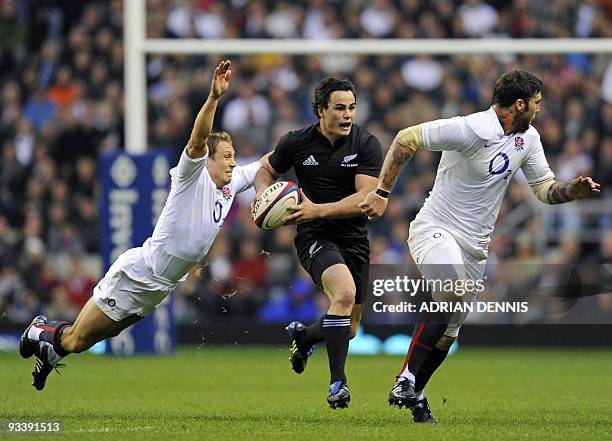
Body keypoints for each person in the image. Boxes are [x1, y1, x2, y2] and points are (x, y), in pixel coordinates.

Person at [359, 70, 600, 423]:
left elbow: (544, 189)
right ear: (519, 104)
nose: (539, 110)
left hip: (475, 247)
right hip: (435, 228)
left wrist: (570, 192)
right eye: (536, 104)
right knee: (452, 291)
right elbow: (406, 137)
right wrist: (381, 193)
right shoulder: (471, 128)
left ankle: (417, 392)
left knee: (449, 333)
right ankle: (405, 378)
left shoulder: (528, 139)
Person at [20, 60, 276, 390]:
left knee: (92, 337)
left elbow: (267, 163)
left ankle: (50, 351)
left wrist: (309, 139)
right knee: (76, 340)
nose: (232, 161)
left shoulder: (229, 183)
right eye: (226, 156)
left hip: (160, 287)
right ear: (208, 160)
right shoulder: (190, 177)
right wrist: (213, 98)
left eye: (233, 155)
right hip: (139, 273)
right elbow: (197, 140)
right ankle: (39, 332)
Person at [253, 78, 382, 408]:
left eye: (352, 108)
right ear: (321, 110)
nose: (347, 115)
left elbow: (365, 198)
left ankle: (305, 335)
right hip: (315, 237)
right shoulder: (296, 142)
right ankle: (338, 383)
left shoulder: (366, 143)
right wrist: (264, 200)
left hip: (354, 239)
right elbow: (265, 170)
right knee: (344, 293)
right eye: (339, 108)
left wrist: (317, 209)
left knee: (350, 327)